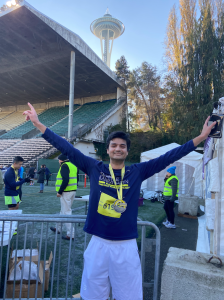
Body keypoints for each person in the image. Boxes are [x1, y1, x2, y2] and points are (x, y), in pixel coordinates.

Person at [23, 103, 215, 300]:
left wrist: (200, 138)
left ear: (127, 151)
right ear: (107, 150)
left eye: (122, 146)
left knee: (128, 296)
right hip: (98, 242)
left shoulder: (137, 171)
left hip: (126, 245)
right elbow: (67, 148)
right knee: (93, 295)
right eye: (113, 145)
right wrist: (38, 124)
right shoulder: (94, 167)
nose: (118, 148)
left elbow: (169, 157)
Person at [50, 154, 78, 240]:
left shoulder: (64, 166)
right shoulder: (73, 165)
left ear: (60, 160)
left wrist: (60, 191)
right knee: (63, 211)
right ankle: (58, 228)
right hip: (72, 190)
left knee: (66, 212)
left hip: (66, 192)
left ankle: (71, 234)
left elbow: (65, 180)